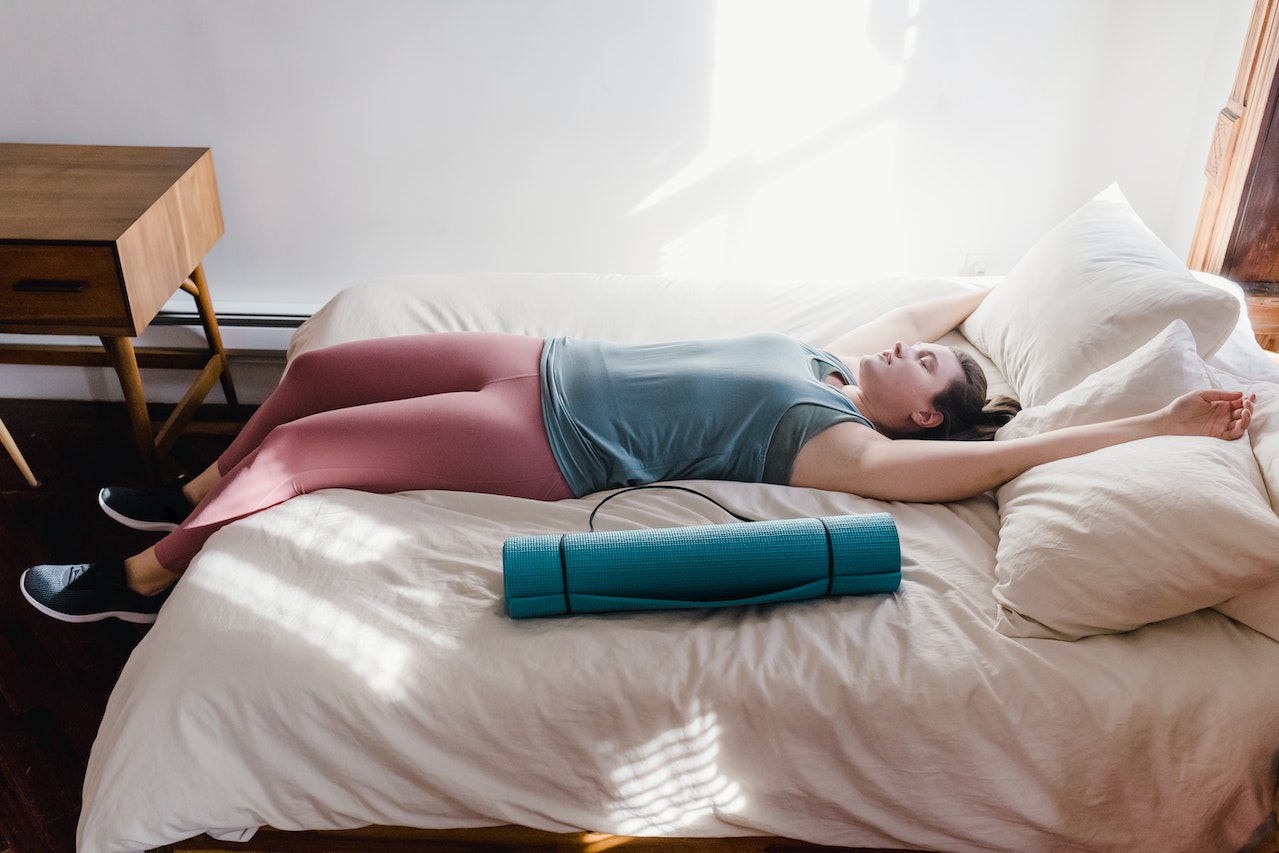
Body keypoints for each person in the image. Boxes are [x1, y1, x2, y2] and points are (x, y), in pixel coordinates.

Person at [19, 289, 1254, 624]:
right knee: (317, 371)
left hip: (549, 435)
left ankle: (138, 588)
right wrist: (994, 305)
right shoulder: (826, 362)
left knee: (310, 449)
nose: (904, 343)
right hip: (548, 351)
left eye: (927, 365)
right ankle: (181, 492)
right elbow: (953, 297)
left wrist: (1150, 423)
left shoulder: (842, 446)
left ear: (924, 418)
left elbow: (980, 465)